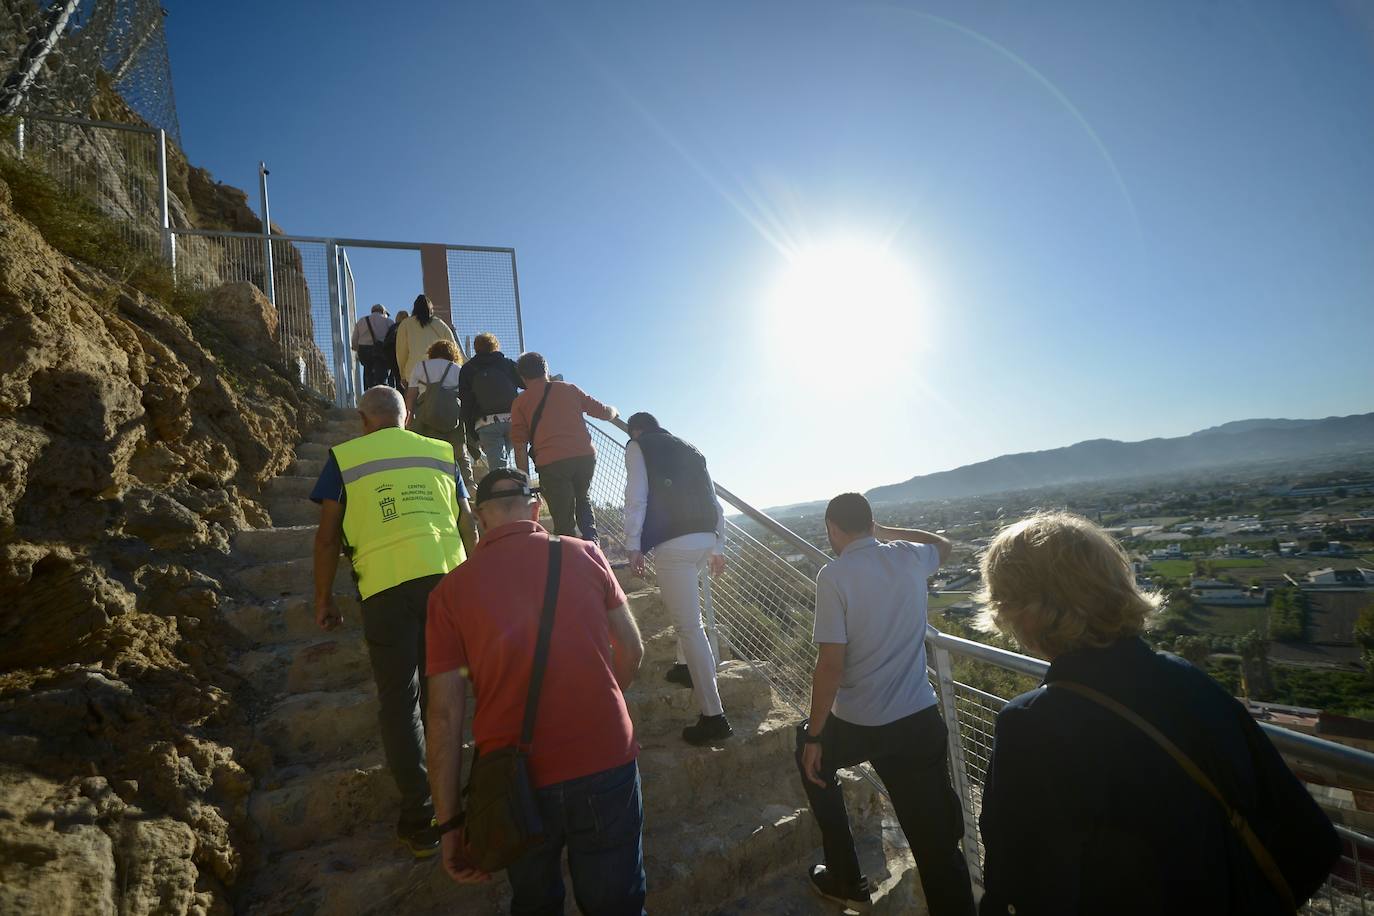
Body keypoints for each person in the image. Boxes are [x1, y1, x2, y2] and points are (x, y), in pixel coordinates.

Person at [975, 511, 1340, 916]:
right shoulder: (1186, 677)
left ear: (1024, 610)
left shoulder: (1031, 723)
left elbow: (1024, 879)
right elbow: (1312, 837)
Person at [426, 468, 647, 913]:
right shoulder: (586, 554)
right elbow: (633, 649)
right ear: (536, 508)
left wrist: (450, 822)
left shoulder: (448, 594)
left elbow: (444, 717)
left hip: (516, 780)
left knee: (534, 901)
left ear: (480, 518)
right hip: (605, 758)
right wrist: (603, 699)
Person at [310, 385, 477, 859]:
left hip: (383, 590)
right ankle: (476, 797)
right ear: (406, 417)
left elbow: (326, 539)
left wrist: (324, 598)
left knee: (401, 701)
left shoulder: (344, 457)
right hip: (448, 583)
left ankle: (422, 816)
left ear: (363, 419)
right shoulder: (441, 452)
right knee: (451, 693)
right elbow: (468, 523)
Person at [797, 492, 975, 915]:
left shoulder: (833, 575)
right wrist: (886, 531)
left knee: (809, 755)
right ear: (871, 523)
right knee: (936, 846)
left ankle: (845, 880)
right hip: (918, 720)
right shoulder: (909, 556)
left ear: (832, 528)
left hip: (860, 723)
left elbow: (831, 665)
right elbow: (944, 545)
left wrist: (815, 734)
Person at [623, 411, 731, 745]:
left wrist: (632, 544)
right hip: (704, 539)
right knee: (689, 617)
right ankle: (684, 666)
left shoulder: (638, 445)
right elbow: (715, 502)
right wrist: (719, 545)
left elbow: (636, 496)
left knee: (690, 626)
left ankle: (714, 716)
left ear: (636, 430)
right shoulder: (690, 447)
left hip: (674, 544)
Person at [510, 352, 617, 541]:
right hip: (584, 457)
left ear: (523, 377)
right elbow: (603, 411)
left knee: (563, 519)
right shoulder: (569, 389)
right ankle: (593, 545)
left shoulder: (520, 403)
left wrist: (524, 479)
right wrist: (614, 411)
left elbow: (519, 445)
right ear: (546, 370)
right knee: (583, 499)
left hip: (552, 464)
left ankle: (569, 556)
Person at [406, 339, 476, 494]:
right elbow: (466, 397)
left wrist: (408, 418)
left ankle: (430, 484)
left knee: (425, 450)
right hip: (452, 415)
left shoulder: (420, 367)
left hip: (426, 415)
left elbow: (411, 396)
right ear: (453, 354)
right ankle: (468, 484)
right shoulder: (458, 369)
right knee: (459, 451)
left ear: (432, 352)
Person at [458, 332, 524, 471]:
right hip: (514, 420)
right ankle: (523, 488)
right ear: (495, 346)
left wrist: (474, 435)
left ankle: (504, 489)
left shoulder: (468, 369)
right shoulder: (507, 364)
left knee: (498, 468)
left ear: (476, 348)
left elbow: (466, 403)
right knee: (514, 457)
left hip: (486, 423)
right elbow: (527, 383)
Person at [396, 294, 457, 387]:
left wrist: (403, 375)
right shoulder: (440, 325)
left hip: (414, 372)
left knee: (415, 400)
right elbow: (453, 349)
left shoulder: (405, 324)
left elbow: (401, 353)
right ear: (431, 309)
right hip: (439, 373)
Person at [352, 304, 394, 388]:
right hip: (382, 352)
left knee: (368, 374)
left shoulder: (361, 321)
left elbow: (354, 342)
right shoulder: (389, 321)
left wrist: (357, 349)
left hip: (365, 352)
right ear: (383, 312)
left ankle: (369, 390)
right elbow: (393, 338)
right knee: (382, 380)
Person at [383, 310, 408, 392]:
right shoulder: (406, 327)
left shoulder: (392, 327)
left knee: (396, 378)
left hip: (391, 356)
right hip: (401, 354)